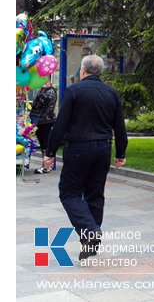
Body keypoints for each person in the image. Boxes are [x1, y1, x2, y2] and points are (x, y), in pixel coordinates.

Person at [43, 54, 128, 260]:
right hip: (103, 150)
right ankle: (90, 242)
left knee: (69, 193)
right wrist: (121, 153)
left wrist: (50, 152)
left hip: (79, 149)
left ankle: (90, 230)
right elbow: (120, 127)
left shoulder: (74, 91)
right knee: (95, 194)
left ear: (83, 70)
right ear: (99, 72)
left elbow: (60, 125)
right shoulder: (112, 93)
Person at [30, 78, 57, 174]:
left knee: (45, 142)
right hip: (41, 120)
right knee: (43, 143)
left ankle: (46, 166)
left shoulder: (50, 91)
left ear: (49, 82)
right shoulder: (45, 91)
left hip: (47, 120)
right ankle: (45, 165)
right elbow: (35, 104)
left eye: (45, 82)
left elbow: (41, 102)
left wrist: (42, 90)